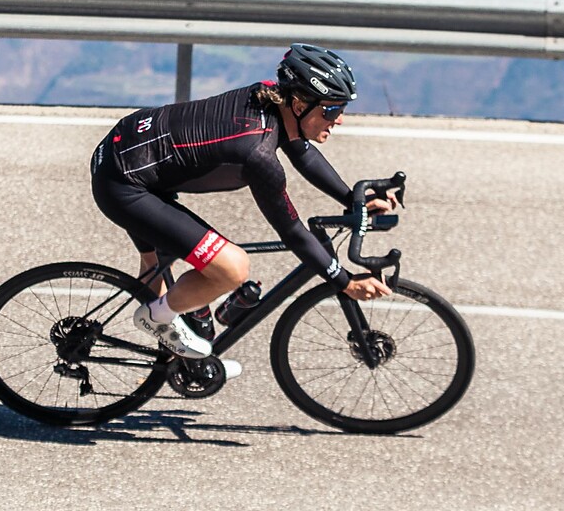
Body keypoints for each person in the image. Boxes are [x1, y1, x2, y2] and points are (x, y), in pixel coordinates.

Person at [91, 43, 395, 362]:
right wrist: (344, 281)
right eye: (331, 110)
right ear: (299, 102)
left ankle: (171, 358)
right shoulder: (257, 154)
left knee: (160, 271)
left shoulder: (267, 96)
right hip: (124, 183)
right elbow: (292, 232)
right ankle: (155, 318)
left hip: (130, 150)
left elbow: (302, 153)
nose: (339, 120)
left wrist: (352, 199)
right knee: (232, 268)